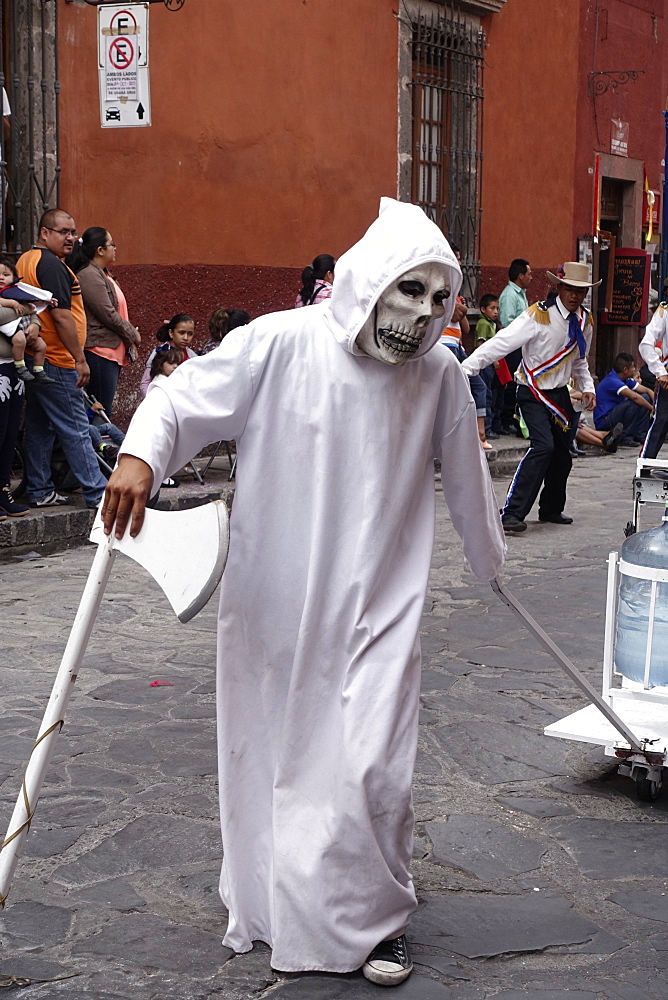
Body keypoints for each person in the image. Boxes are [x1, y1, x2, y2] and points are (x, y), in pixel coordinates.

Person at [101, 198, 506, 986]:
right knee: (273, 755)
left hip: (379, 605)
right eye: (408, 289)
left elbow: (467, 474)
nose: (421, 312)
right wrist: (141, 457)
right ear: (369, 280)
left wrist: (489, 559)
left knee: (372, 764)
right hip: (277, 600)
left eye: (436, 297)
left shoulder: (439, 374)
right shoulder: (280, 344)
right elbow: (183, 399)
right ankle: (276, 902)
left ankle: (376, 920)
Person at [463, 261, 598, 533]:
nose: (574, 295)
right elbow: (503, 341)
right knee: (543, 447)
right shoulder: (539, 315)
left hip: (559, 394)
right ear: (559, 287)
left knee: (563, 454)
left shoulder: (585, 321)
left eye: (580, 291)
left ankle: (551, 508)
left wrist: (588, 387)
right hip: (532, 391)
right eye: (570, 289)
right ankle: (512, 513)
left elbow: (579, 361)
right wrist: (468, 367)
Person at [16, 208, 108, 509]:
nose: (71, 238)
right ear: (45, 233)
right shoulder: (52, 265)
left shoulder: (26, 260)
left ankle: (40, 489)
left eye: (73, 233)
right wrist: (79, 360)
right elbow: (62, 317)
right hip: (57, 359)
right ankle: (98, 494)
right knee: (77, 427)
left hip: (36, 357)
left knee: (40, 426)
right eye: (63, 232)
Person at [66, 227, 140, 418]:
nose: (115, 248)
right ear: (100, 250)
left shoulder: (103, 273)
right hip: (99, 351)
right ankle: (96, 447)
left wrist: (128, 340)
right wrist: (132, 333)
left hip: (111, 350)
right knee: (99, 409)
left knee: (103, 408)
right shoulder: (89, 275)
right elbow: (107, 313)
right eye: (112, 244)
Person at [0, 255, 54, 385]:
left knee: (41, 346)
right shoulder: (7, 296)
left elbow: (33, 308)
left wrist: (35, 324)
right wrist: (17, 305)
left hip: (21, 332)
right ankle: (20, 367)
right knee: (19, 340)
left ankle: (38, 370)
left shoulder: (16, 290)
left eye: (6, 274)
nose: (1, 277)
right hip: (3, 357)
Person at [498, 258, 533, 434]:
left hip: (521, 344)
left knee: (518, 382)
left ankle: (512, 418)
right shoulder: (509, 295)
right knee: (510, 384)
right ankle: (505, 420)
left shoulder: (521, 293)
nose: (531, 277)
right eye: (529, 273)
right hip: (512, 345)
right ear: (520, 276)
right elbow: (507, 321)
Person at [593, 353, 653, 447]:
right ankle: (626, 437)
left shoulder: (625, 379)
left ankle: (640, 435)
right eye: (633, 367)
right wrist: (652, 408)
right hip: (605, 420)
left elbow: (646, 390)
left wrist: (656, 403)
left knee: (645, 397)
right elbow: (634, 397)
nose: (634, 369)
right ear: (625, 370)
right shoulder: (613, 380)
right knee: (634, 402)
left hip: (615, 414)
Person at [140, 314, 196, 397]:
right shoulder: (159, 352)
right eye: (181, 333)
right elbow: (145, 383)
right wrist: (153, 401)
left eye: (190, 334)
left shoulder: (192, 357)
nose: (185, 337)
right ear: (171, 333)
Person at [639, 297, 668, 459]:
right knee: (661, 421)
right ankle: (645, 464)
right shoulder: (665, 312)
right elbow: (646, 344)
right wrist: (660, 371)